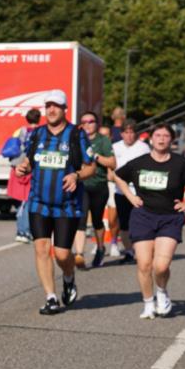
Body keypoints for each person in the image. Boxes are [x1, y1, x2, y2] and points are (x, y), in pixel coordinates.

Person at [14, 90, 95, 314]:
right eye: (48, 105)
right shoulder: (37, 134)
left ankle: (68, 277)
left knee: (61, 254)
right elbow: (30, 161)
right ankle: (50, 297)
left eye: (56, 106)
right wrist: (23, 167)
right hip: (39, 202)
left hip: (67, 205)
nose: (51, 110)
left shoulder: (75, 135)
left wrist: (76, 176)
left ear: (64, 109)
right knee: (41, 249)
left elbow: (91, 167)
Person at [114, 124, 185, 319]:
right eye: (157, 135)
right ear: (151, 139)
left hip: (170, 217)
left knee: (160, 266)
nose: (161, 139)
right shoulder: (139, 162)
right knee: (144, 264)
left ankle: (162, 292)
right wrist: (130, 196)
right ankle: (148, 303)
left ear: (172, 139)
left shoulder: (180, 164)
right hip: (143, 216)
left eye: (165, 136)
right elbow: (118, 176)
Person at [73, 111, 114, 268]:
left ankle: (101, 248)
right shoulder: (76, 139)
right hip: (82, 186)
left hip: (99, 186)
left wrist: (94, 156)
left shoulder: (103, 140)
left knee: (97, 221)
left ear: (97, 124)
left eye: (91, 121)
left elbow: (112, 163)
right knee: (81, 219)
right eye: (84, 122)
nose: (88, 124)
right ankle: (79, 255)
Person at [111, 120, 150, 263]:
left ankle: (141, 249)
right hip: (121, 191)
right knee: (124, 223)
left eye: (132, 132)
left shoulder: (144, 148)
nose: (129, 136)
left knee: (140, 222)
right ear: (121, 134)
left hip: (139, 192)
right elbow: (110, 166)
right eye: (126, 132)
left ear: (136, 133)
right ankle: (128, 251)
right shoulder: (115, 147)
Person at [8, 108, 41, 243]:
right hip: (31, 169)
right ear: (38, 118)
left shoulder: (20, 131)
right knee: (28, 202)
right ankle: (25, 231)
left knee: (22, 202)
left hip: (18, 168)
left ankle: (21, 230)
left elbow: (13, 147)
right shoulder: (41, 131)